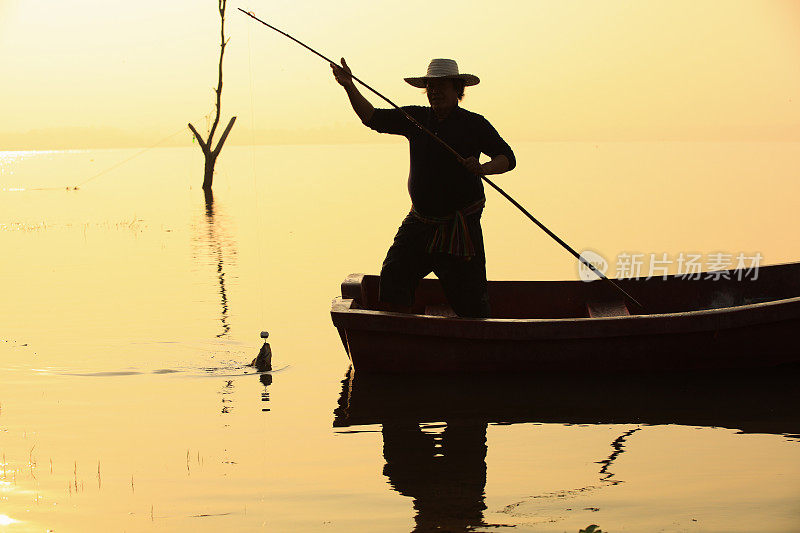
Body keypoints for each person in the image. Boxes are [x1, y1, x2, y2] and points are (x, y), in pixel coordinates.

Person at [331, 58, 515, 318]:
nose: (435, 92)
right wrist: (349, 85)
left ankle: (478, 344)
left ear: (458, 90)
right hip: (419, 223)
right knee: (394, 274)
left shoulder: (474, 124)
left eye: (442, 86)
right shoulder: (415, 118)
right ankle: (400, 338)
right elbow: (372, 118)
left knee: (471, 298)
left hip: (459, 228)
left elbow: (507, 158)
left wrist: (483, 167)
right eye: (431, 87)